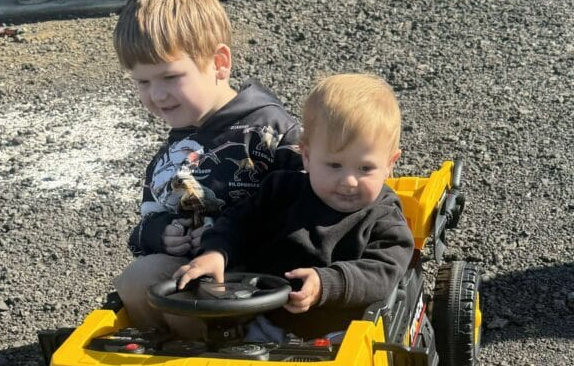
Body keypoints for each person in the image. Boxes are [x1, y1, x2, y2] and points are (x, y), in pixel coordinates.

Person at [112, 0, 302, 332]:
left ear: (219, 63)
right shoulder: (173, 153)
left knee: (187, 301)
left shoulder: (269, 131)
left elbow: (308, 210)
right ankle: (172, 365)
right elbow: (146, 222)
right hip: (193, 277)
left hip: (261, 280)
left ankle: (239, 354)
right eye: (142, 82)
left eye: (170, 77)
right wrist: (161, 233)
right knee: (138, 280)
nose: (157, 95)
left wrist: (229, 241)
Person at [175, 73, 415, 341]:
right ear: (307, 156)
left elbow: (383, 272)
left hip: (342, 331)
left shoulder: (384, 215)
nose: (349, 181)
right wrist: (216, 252)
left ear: (390, 164)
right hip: (266, 319)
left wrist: (327, 284)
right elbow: (239, 222)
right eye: (334, 165)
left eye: (366, 168)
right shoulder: (282, 190)